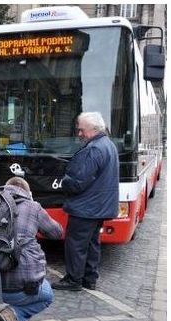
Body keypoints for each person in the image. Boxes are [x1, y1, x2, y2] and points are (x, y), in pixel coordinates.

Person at [0, 176, 63, 321]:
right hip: (20, 289)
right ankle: (14, 316)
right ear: (27, 193)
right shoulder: (32, 207)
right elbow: (57, 232)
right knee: (47, 295)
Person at [52, 111, 119, 291]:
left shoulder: (93, 149)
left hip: (86, 208)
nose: (79, 134)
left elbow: (77, 182)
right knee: (92, 244)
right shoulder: (108, 145)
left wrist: (63, 181)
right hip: (99, 207)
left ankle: (73, 280)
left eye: (82, 130)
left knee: (76, 245)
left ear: (93, 129)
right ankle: (90, 279)